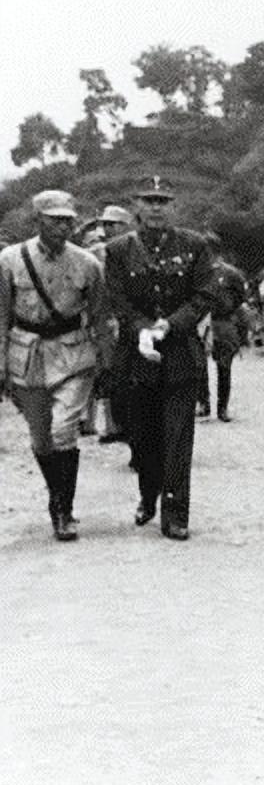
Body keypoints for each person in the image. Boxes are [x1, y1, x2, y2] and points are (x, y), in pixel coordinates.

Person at [105, 177, 218, 540]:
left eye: (163, 200)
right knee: (142, 436)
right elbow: (118, 300)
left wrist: (170, 324)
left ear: (174, 205)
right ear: (136, 205)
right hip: (136, 357)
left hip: (180, 354)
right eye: (149, 200)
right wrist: (142, 328)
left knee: (178, 437)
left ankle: (175, 512)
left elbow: (204, 296)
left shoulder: (195, 246)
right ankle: (148, 493)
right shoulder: (118, 250)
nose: (156, 207)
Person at [0, 191, 110, 540]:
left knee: (64, 430)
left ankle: (62, 509)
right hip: (27, 355)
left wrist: (107, 363)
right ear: (38, 220)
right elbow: (1, 315)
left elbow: (100, 317)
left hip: (72, 354)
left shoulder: (88, 264)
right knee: (41, 437)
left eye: (68, 220)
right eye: (55, 220)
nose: (64, 227)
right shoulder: (9, 260)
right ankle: (56, 492)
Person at [89, 203, 135, 444]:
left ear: (124, 225)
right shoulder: (97, 253)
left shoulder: (136, 250)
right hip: (105, 322)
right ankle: (113, 425)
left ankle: (132, 427)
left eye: (112, 224)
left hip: (132, 320)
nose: (107, 228)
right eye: (105, 224)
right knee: (107, 375)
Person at [203, 237, 250, 422]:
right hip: (201, 322)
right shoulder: (197, 272)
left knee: (224, 366)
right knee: (198, 365)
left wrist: (228, 309)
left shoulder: (231, 273)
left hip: (222, 322)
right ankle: (203, 404)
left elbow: (241, 297)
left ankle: (222, 408)